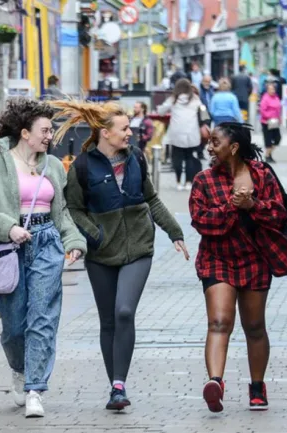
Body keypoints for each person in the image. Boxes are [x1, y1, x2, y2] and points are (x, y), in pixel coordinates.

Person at [53, 100, 190, 411]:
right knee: (108, 321)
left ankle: (119, 383)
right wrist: (95, 235)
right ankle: (115, 386)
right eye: (124, 128)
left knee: (124, 311)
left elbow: (152, 199)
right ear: (105, 133)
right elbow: (73, 208)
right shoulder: (82, 167)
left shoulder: (136, 158)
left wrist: (175, 232)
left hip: (138, 248)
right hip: (102, 252)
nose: (131, 132)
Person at [0, 98, 86, 418]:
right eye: (45, 130)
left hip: (47, 243)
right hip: (10, 248)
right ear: (25, 133)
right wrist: (8, 227)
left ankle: (35, 388)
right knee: (15, 326)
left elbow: (63, 214)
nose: (50, 136)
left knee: (43, 319)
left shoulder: (55, 167)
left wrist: (73, 241)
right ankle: (19, 369)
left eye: (51, 130)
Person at [189, 122, 287, 413]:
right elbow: (201, 220)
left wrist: (252, 205)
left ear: (234, 147)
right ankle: (216, 382)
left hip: (255, 257)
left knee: (254, 326)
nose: (209, 147)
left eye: (215, 142)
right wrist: (231, 206)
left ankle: (257, 387)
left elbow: (279, 214)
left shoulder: (262, 175)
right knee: (219, 322)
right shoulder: (204, 180)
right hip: (217, 258)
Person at [158, 78, 204, 190]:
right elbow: (204, 112)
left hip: (176, 133)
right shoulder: (195, 98)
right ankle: (188, 182)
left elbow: (161, 111)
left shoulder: (173, 99)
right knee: (189, 157)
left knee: (177, 158)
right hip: (191, 132)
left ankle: (179, 182)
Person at [259, 82, 282, 163]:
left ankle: (268, 154)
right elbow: (262, 110)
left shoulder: (276, 97)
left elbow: (279, 109)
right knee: (268, 140)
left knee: (277, 139)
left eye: (274, 89)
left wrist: (279, 119)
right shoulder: (265, 98)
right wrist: (270, 117)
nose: (273, 91)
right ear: (267, 90)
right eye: (271, 89)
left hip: (275, 122)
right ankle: (268, 156)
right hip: (267, 122)